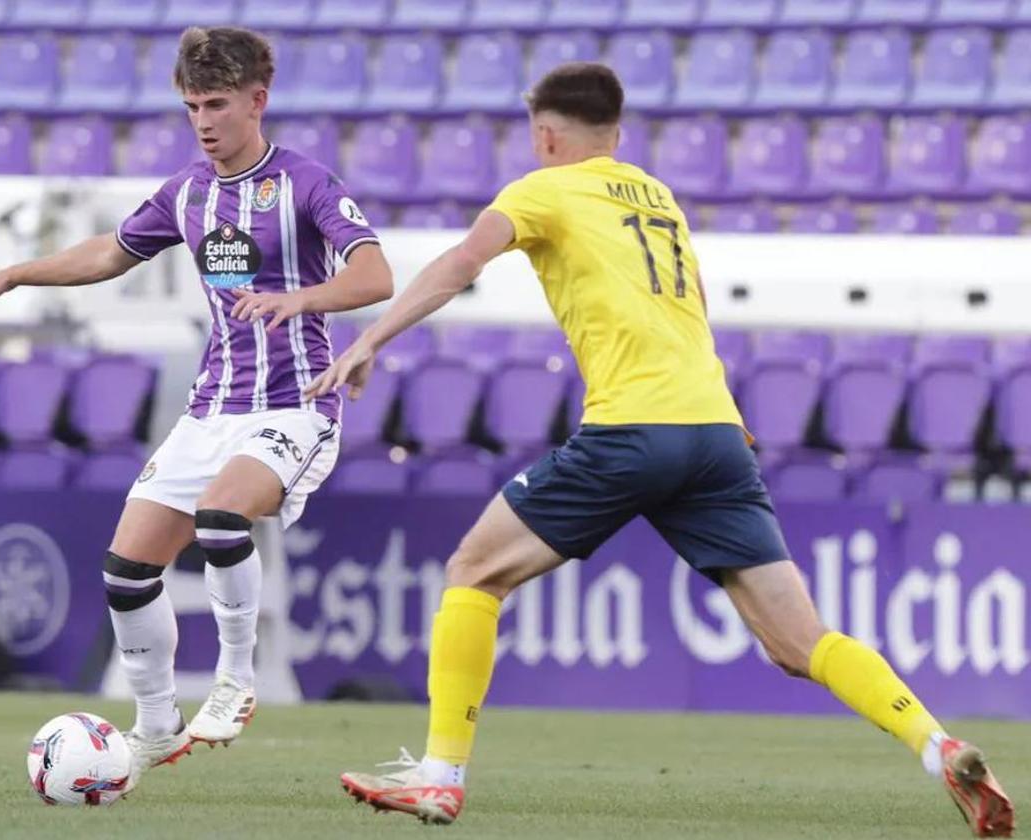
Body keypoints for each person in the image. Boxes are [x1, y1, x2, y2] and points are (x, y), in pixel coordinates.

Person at [309, 63, 1014, 838]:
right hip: (716, 433)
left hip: (632, 428)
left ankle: (439, 779)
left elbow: (460, 265)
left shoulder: (541, 189)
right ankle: (935, 744)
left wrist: (371, 336)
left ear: (546, 134)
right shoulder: (658, 198)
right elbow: (693, 313)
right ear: (618, 131)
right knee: (797, 641)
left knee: (473, 571)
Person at [0, 27, 392, 787]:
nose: (204, 121)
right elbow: (108, 253)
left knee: (223, 517)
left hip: (294, 404)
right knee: (126, 570)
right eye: (191, 106)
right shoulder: (188, 191)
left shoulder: (305, 183)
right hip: (210, 409)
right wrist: (15, 275)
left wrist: (299, 299)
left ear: (258, 99)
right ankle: (156, 725)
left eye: (217, 103)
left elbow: (376, 276)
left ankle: (235, 682)